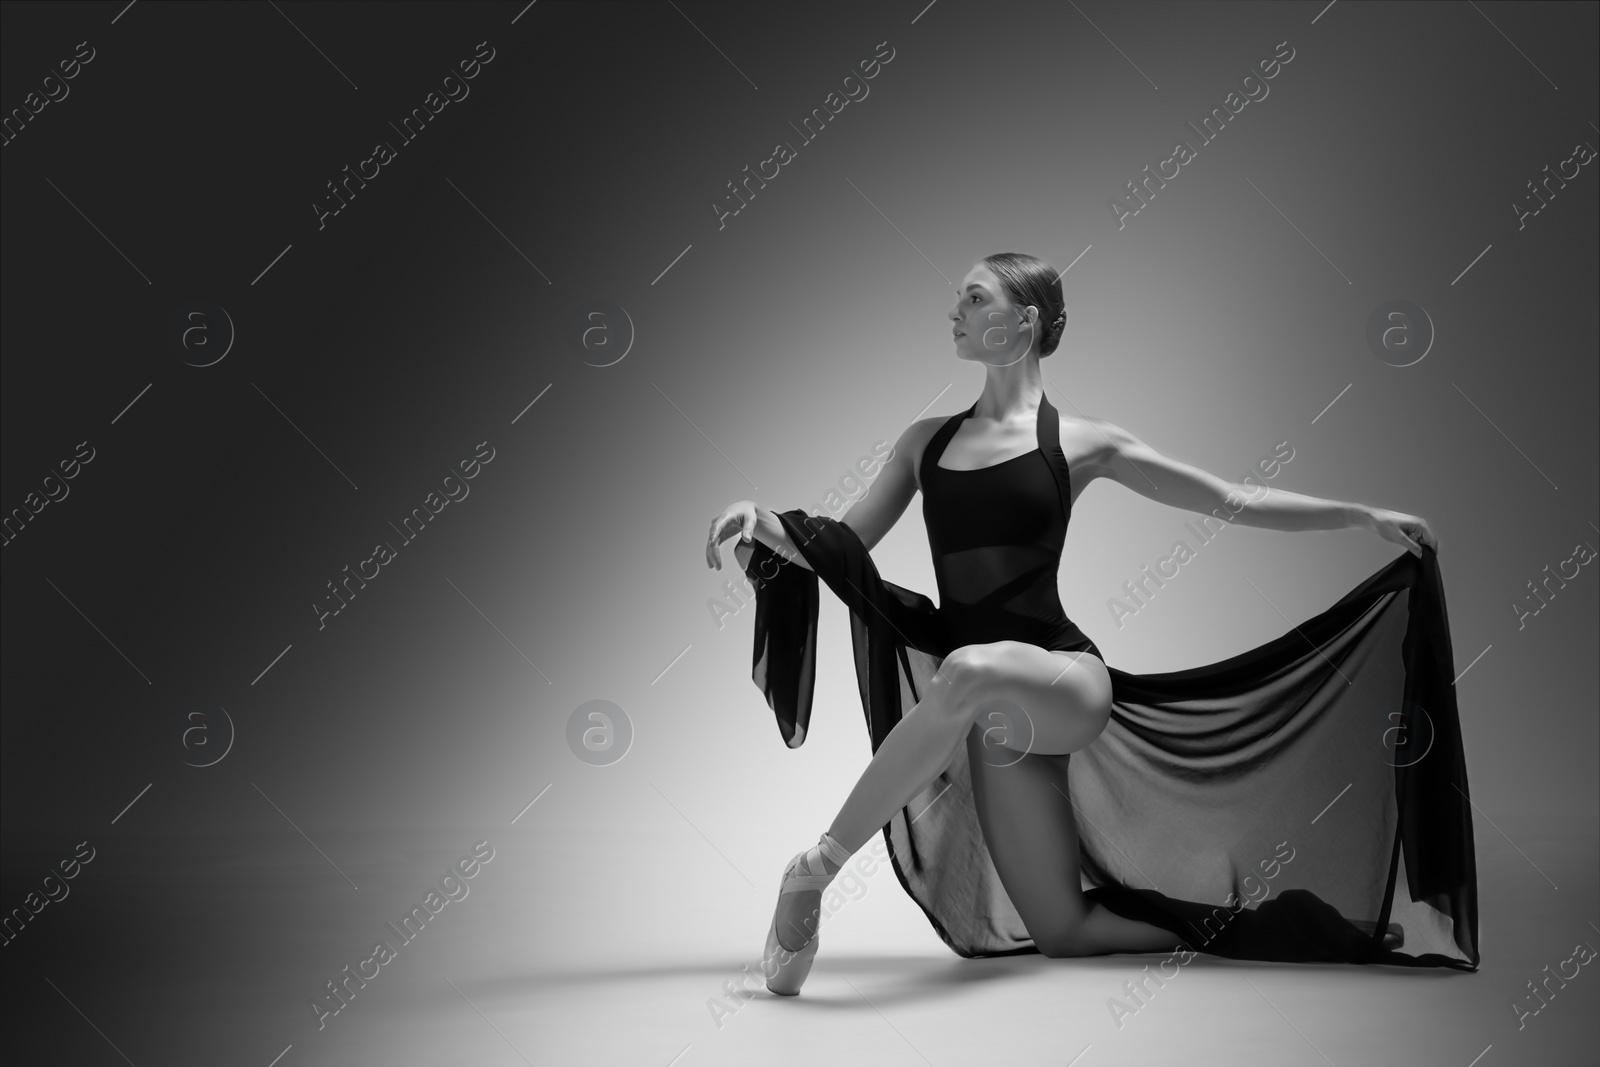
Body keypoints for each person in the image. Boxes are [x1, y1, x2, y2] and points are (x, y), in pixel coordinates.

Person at [705, 253, 1468, 996]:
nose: (955, 312)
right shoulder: (924, 441)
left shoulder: (1083, 441)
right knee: (1065, 931)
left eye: (974, 298)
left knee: (966, 669)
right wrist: (764, 520)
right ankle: (1278, 919)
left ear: (1024, 319)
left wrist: (1362, 514)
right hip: (997, 715)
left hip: (1065, 680)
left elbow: (1229, 499)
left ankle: (813, 870)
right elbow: (846, 544)